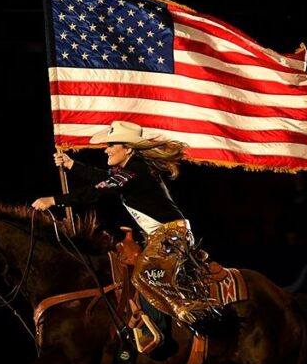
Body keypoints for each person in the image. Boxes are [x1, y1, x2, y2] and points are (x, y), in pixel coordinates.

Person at [31, 120, 223, 329]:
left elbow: (97, 190)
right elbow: (104, 179)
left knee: (142, 274)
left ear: (128, 148)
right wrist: (71, 165)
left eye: (111, 145)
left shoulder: (135, 171)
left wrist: (53, 200)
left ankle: (191, 315)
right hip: (164, 235)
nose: (106, 150)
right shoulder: (131, 169)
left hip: (171, 235)